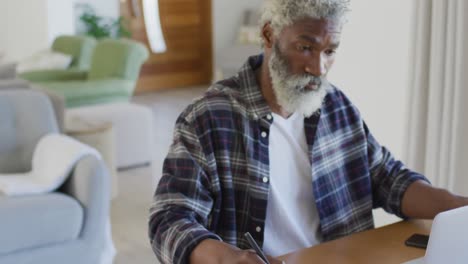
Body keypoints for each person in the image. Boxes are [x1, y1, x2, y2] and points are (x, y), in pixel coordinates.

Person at [149, 0, 468, 263]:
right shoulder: (207, 118)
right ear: (269, 34)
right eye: (306, 47)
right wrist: (230, 258)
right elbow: (169, 219)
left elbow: (387, 177)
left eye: (330, 51)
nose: (319, 68)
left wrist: (458, 208)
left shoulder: (336, 106)